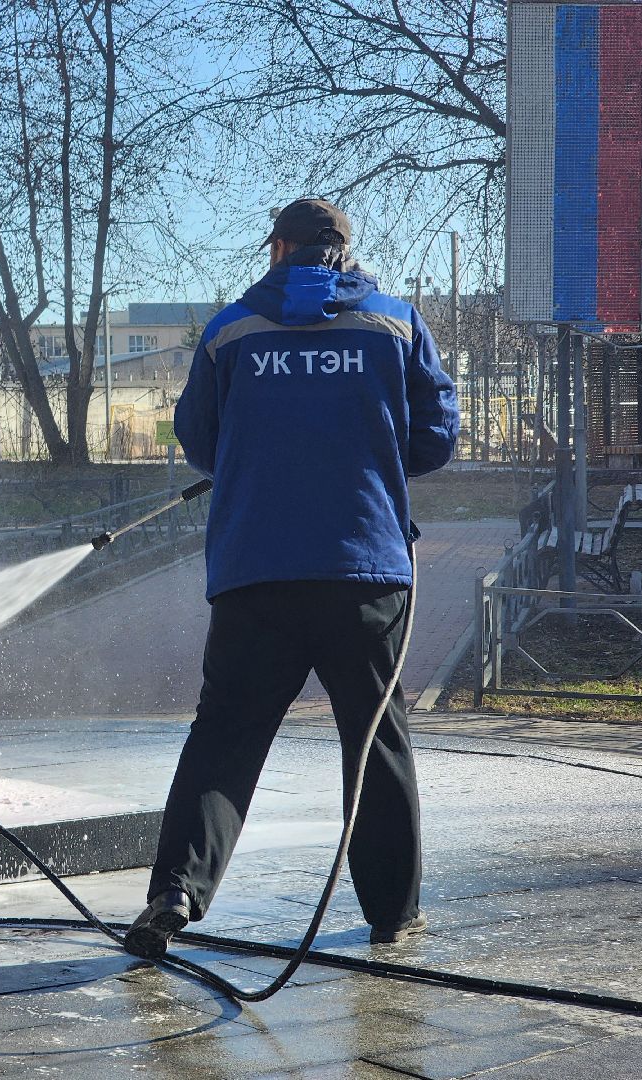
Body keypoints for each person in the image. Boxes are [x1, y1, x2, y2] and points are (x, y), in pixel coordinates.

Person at [124, 198, 460, 960]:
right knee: (376, 739)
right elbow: (437, 436)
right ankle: (392, 914)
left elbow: (198, 437)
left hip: (255, 572)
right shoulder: (396, 323)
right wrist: (364, 455)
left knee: (225, 737)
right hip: (363, 571)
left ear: (280, 249)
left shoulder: (231, 329)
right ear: (344, 249)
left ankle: (174, 891)